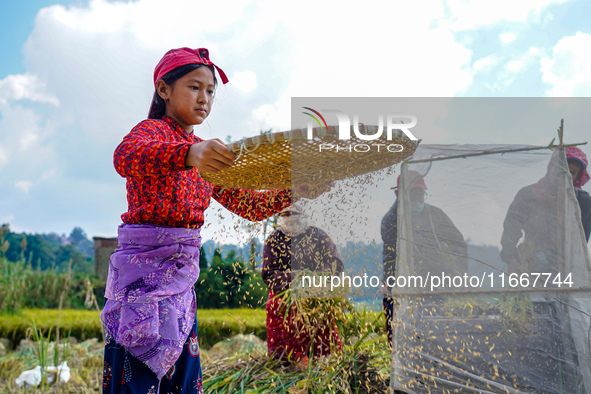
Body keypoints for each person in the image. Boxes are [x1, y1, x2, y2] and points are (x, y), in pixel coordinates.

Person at [100, 47, 291, 394]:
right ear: (164, 90)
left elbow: (248, 206)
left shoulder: (205, 152)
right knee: (136, 378)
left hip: (180, 284)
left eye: (210, 91)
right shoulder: (152, 133)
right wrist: (189, 154)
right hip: (141, 284)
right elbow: (124, 157)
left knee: (183, 380)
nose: (204, 98)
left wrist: (296, 191)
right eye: (194, 87)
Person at [381, 171, 468, 346]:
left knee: (433, 332)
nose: (418, 199)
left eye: (420, 194)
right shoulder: (392, 219)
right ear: (399, 194)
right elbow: (393, 256)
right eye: (413, 194)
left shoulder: (435, 214)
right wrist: (389, 284)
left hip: (434, 282)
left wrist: (460, 270)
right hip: (403, 283)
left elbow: (459, 243)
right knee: (401, 334)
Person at [262, 205, 344, 363]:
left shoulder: (318, 236)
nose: (290, 218)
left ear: (303, 215)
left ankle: (324, 370)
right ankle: (288, 372)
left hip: (317, 301)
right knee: (284, 357)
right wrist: (296, 279)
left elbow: (335, 264)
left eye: (294, 214)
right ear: (280, 217)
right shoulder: (273, 240)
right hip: (283, 306)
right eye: (285, 214)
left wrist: (313, 278)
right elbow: (269, 274)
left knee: (325, 351)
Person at [500, 147, 591, 275]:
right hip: (529, 265)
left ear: (576, 178)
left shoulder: (581, 202)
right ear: (550, 167)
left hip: (566, 272)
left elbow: (578, 246)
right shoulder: (528, 195)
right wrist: (511, 259)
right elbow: (511, 229)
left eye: (570, 173)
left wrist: (544, 259)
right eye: (559, 169)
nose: (563, 176)